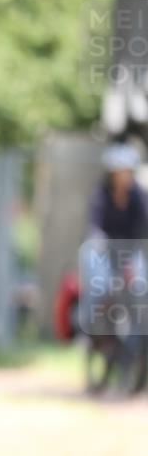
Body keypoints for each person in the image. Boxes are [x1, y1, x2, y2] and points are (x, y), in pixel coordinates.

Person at [83, 142, 148, 336]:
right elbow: (94, 225)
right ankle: (89, 330)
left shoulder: (138, 196)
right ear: (112, 174)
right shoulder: (100, 195)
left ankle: (137, 338)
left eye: (128, 171)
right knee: (99, 286)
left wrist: (130, 259)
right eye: (121, 172)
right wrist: (98, 239)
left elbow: (142, 228)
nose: (125, 176)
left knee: (140, 285)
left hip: (129, 251)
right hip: (104, 250)